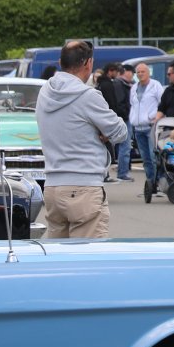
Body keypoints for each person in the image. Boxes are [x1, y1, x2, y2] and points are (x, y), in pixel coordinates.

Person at [36, 40, 129, 238]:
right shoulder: (88, 96)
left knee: (58, 253)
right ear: (88, 63)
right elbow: (120, 131)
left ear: (61, 62)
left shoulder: (45, 92)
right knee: (87, 253)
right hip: (83, 185)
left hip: (52, 186)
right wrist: (102, 132)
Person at [127, 61, 164, 190]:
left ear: (148, 73)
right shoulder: (134, 87)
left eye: (143, 71)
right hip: (138, 128)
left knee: (154, 157)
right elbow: (133, 105)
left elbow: (163, 103)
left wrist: (156, 118)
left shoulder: (155, 85)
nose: (140, 74)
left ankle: (159, 181)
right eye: (138, 72)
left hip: (151, 127)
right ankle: (151, 184)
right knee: (145, 158)